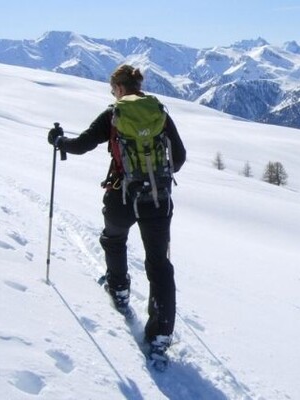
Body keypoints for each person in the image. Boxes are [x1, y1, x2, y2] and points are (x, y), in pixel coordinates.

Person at [48, 65, 186, 362]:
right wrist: (156, 172)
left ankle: (119, 289)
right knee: (159, 264)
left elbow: (83, 144)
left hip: (122, 195)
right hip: (159, 200)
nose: (113, 94)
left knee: (114, 239)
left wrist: (59, 141)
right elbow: (180, 158)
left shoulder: (114, 115)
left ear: (120, 88)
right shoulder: (159, 112)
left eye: (113, 90)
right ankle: (161, 334)